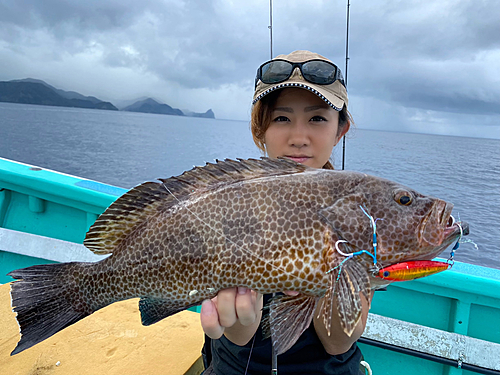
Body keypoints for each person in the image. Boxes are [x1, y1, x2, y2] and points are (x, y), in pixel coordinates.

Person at [200, 50, 371, 374]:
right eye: (281, 118)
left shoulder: (357, 211)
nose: (298, 137)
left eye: (317, 118)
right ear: (258, 129)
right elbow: (234, 333)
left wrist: (330, 263)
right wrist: (239, 326)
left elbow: (338, 342)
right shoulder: (226, 203)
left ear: (341, 130)